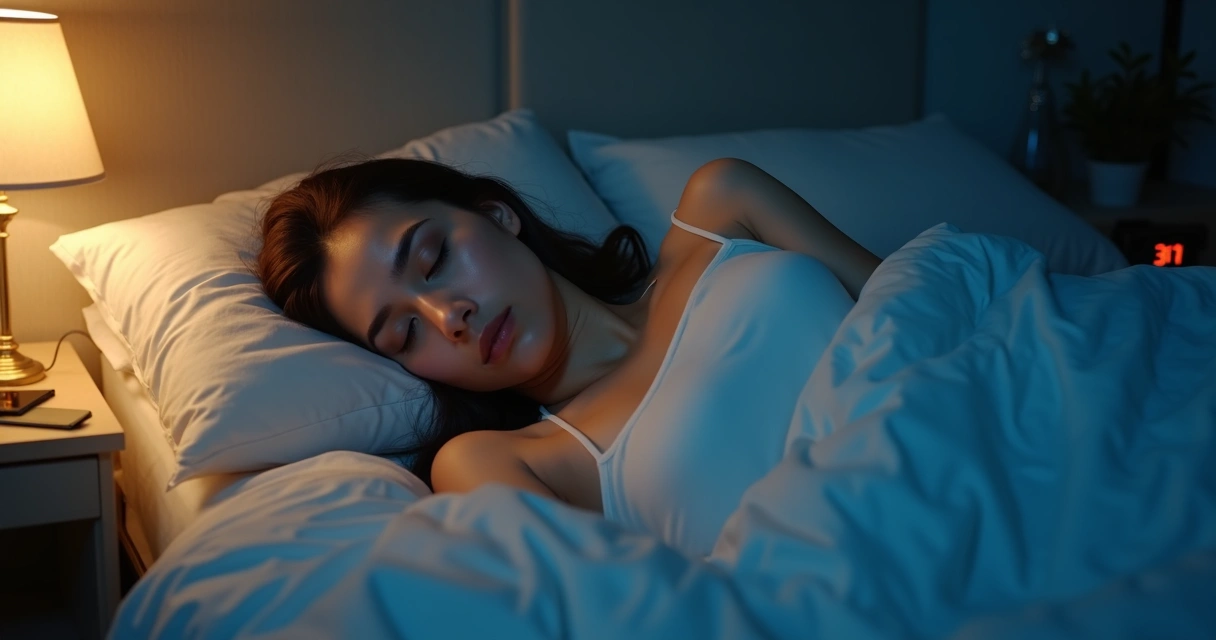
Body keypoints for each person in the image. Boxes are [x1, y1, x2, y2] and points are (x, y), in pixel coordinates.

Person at [257, 156, 881, 556]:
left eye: (433, 259)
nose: (449, 319)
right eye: (404, 335)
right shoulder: (495, 461)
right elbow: (617, 615)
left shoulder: (722, 210)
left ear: (496, 215)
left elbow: (930, 301)